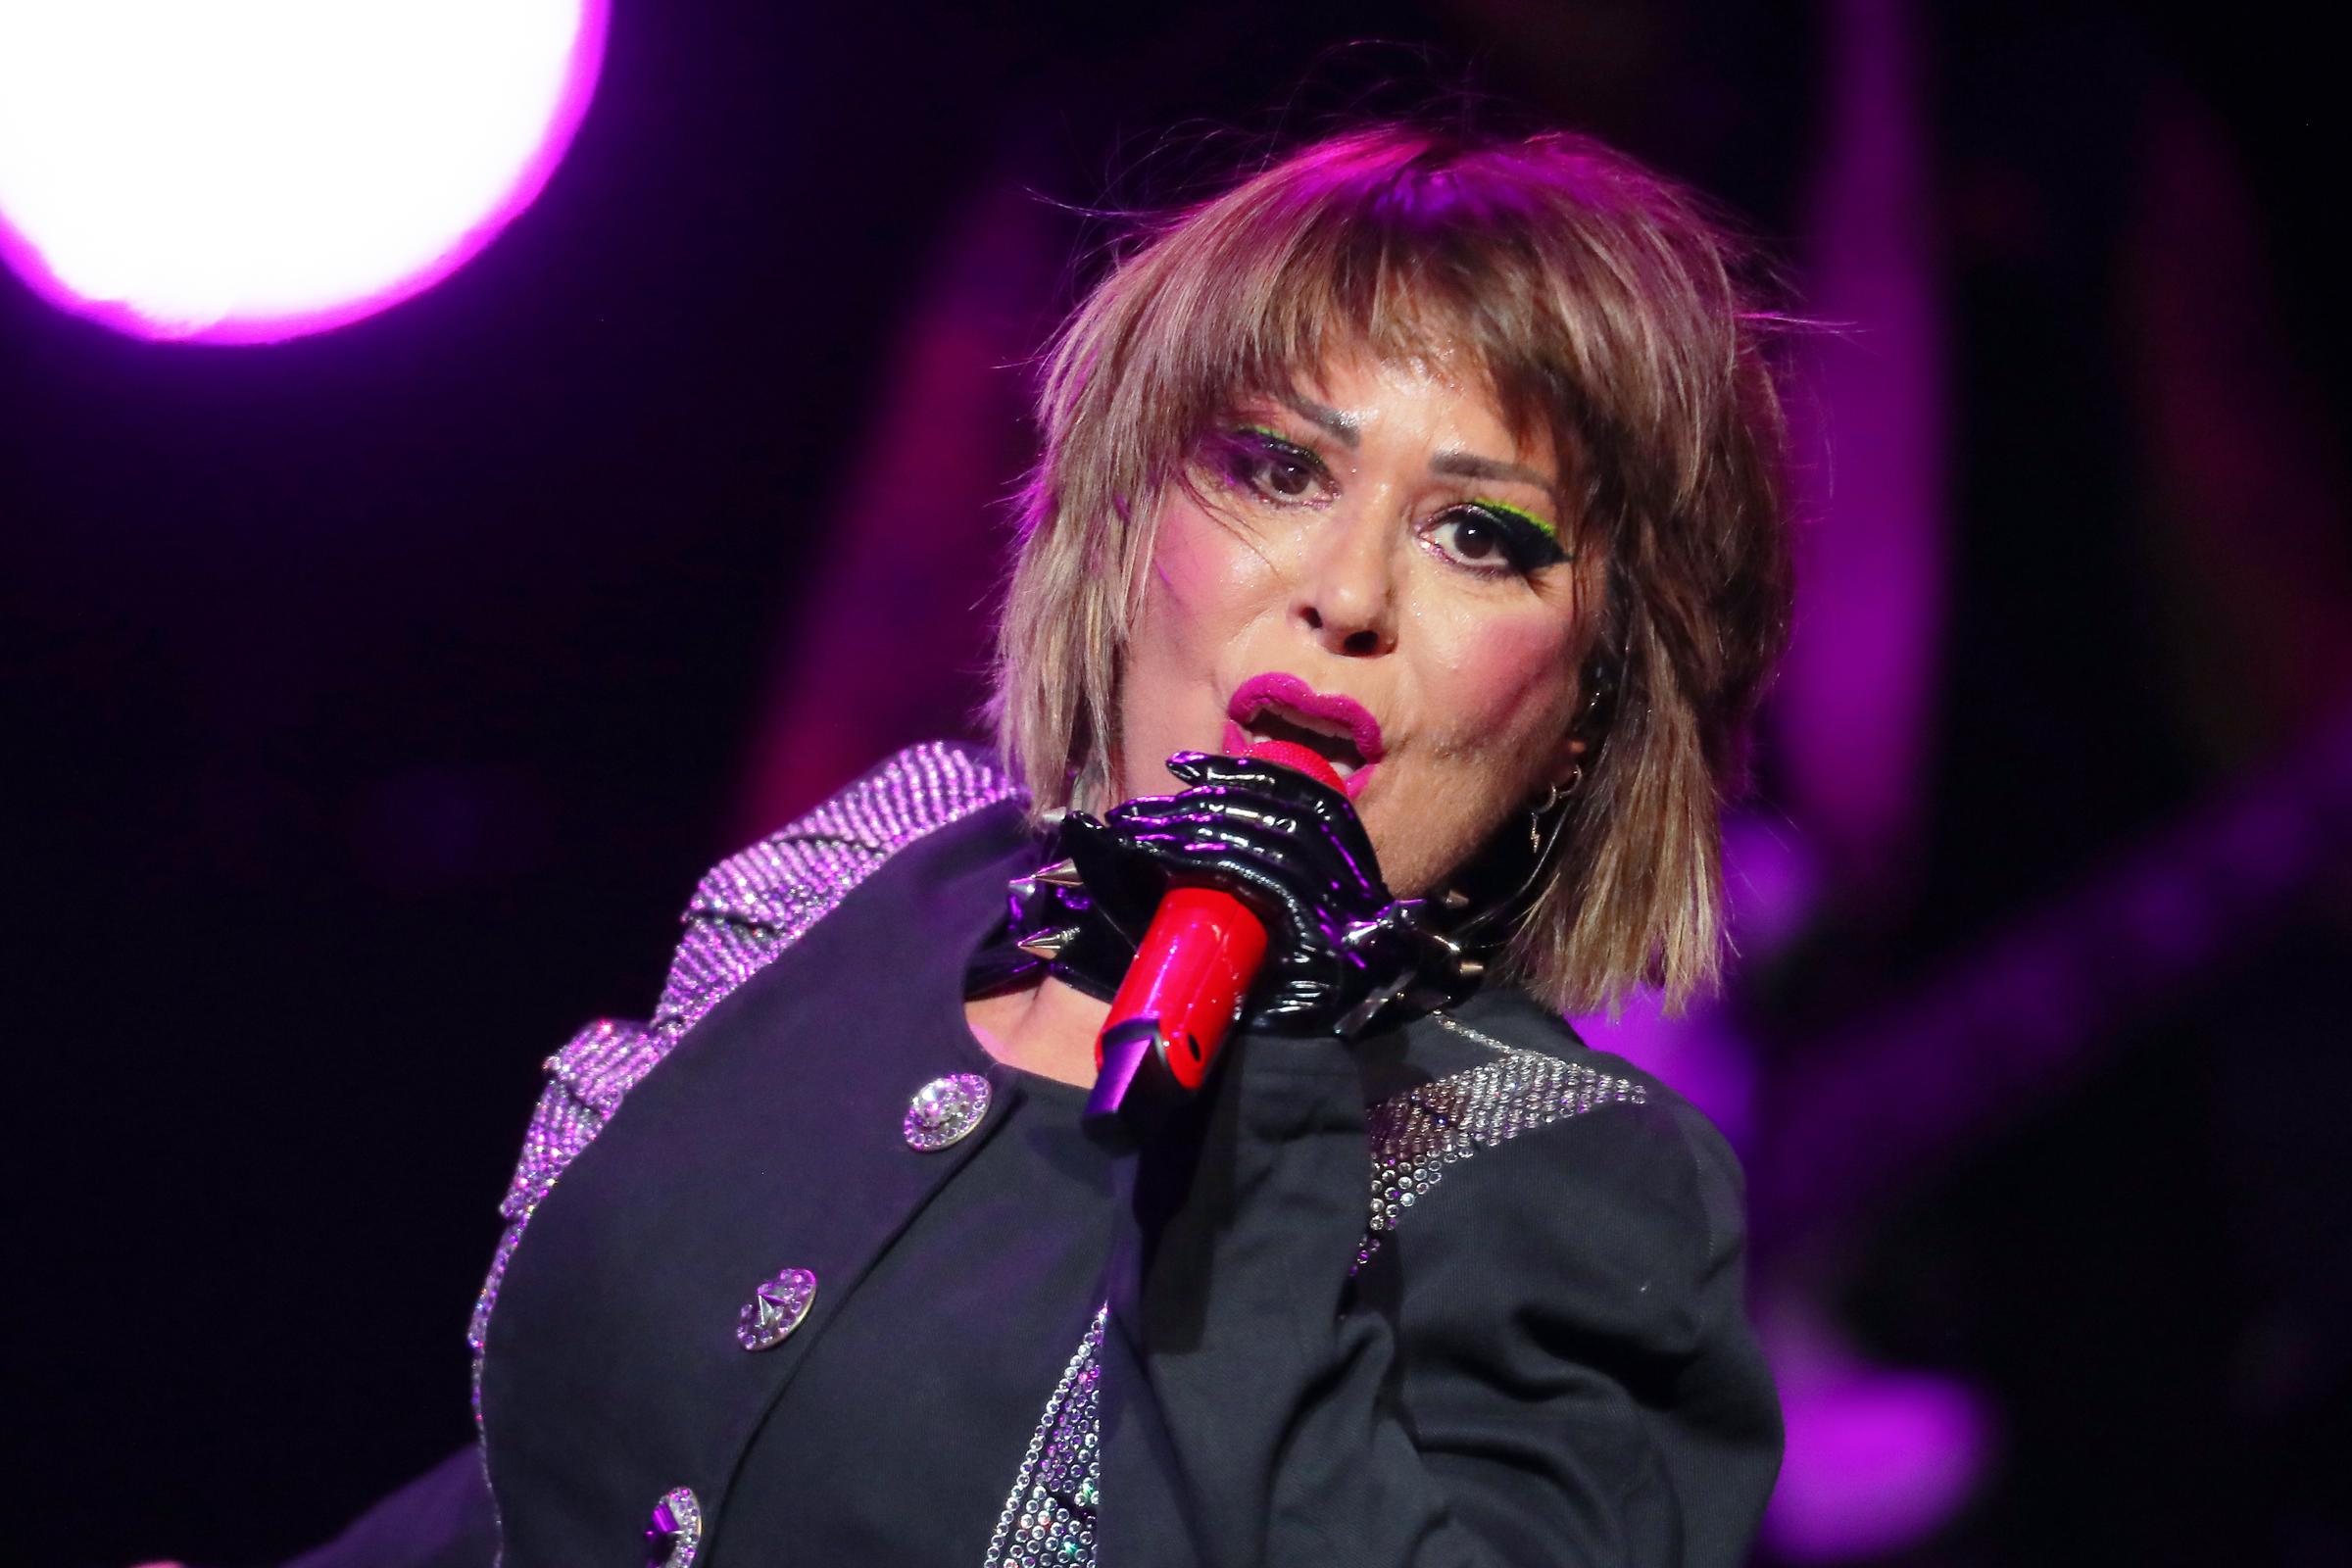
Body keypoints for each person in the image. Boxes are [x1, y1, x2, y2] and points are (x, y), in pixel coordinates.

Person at [272, 121, 1795, 1568]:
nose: (1346, 593)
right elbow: (549, 1496)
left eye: (1480, 535)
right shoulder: (882, 871)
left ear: (1596, 704)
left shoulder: (1572, 1183)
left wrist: (1270, 1074)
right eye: (1277, 468)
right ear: (1131, 520)